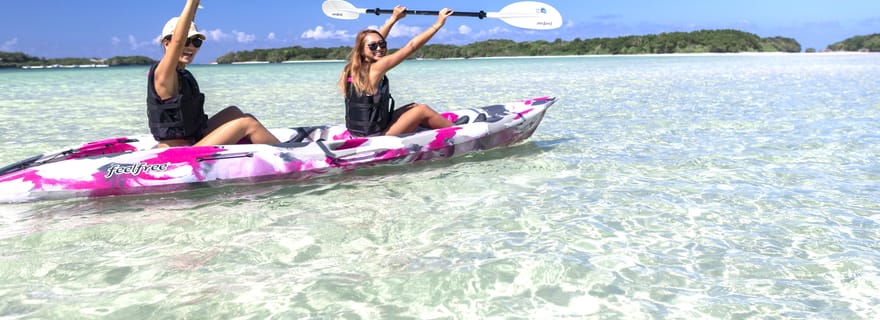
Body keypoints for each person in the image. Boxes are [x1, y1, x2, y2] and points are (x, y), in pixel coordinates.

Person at [147, 0, 280, 148]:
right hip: (178, 152)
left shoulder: (181, 73)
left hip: (193, 139)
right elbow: (178, 41)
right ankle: (290, 154)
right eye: (186, 41)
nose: (191, 47)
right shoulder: (163, 74)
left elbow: (181, 37)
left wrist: (195, 6)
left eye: (196, 42)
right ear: (166, 43)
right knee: (248, 124)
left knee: (233, 112)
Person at [339, 6, 456, 137]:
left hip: (358, 132)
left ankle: (440, 125)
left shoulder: (352, 67)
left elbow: (375, 40)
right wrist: (438, 23)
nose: (379, 48)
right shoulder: (377, 67)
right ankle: (458, 131)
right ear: (362, 49)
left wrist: (394, 19)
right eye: (373, 46)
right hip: (374, 137)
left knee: (413, 106)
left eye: (382, 44)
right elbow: (411, 46)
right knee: (422, 110)